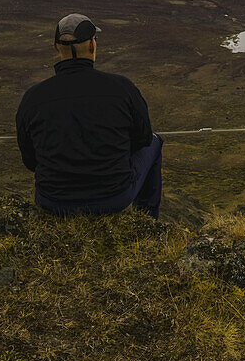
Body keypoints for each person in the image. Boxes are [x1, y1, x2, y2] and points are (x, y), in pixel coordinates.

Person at [15, 13, 162, 218]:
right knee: (155, 142)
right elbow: (143, 138)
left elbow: (30, 161)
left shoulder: (33, 97)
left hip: (52, 200)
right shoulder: (122, 88)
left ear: (56, 47)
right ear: (92, 45)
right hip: (113, 198)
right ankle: (146, 221)